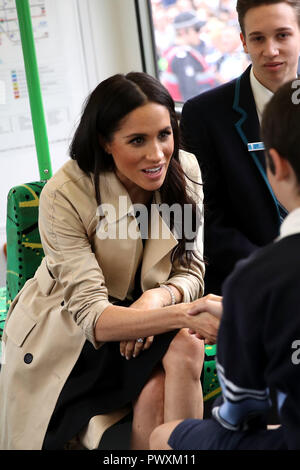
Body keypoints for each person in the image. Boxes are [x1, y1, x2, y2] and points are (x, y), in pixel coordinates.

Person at [0, 72, 221, 450]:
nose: (156, 154)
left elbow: (189, 269)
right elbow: (93, 316)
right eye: (137, 140)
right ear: (105, 142)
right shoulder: (65, 194)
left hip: (150, 313)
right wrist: (183, 314)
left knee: (187, 349)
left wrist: (158, 298)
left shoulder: (184, 172)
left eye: (164, 135)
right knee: (179, 349)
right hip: (74, 332)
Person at [150, 78, 300, 450]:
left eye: (163, 136)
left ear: (275, 163)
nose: (154, 154)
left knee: (162, 437)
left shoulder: (255, 279)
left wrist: (244, 319)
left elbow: (241, 411)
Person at [180, 0, 300, 295]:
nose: (270, 50)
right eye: (258, 38)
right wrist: (272, 267)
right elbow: (202, 220)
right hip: (248, 284)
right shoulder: (204, 115)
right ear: (244, 41)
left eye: (282, 35)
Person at [161, 11, 216, 101]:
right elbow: (190, 96)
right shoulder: (182, 57)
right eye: (197, 29)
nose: (200, 34)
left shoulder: (173, 52)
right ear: (183, 32)